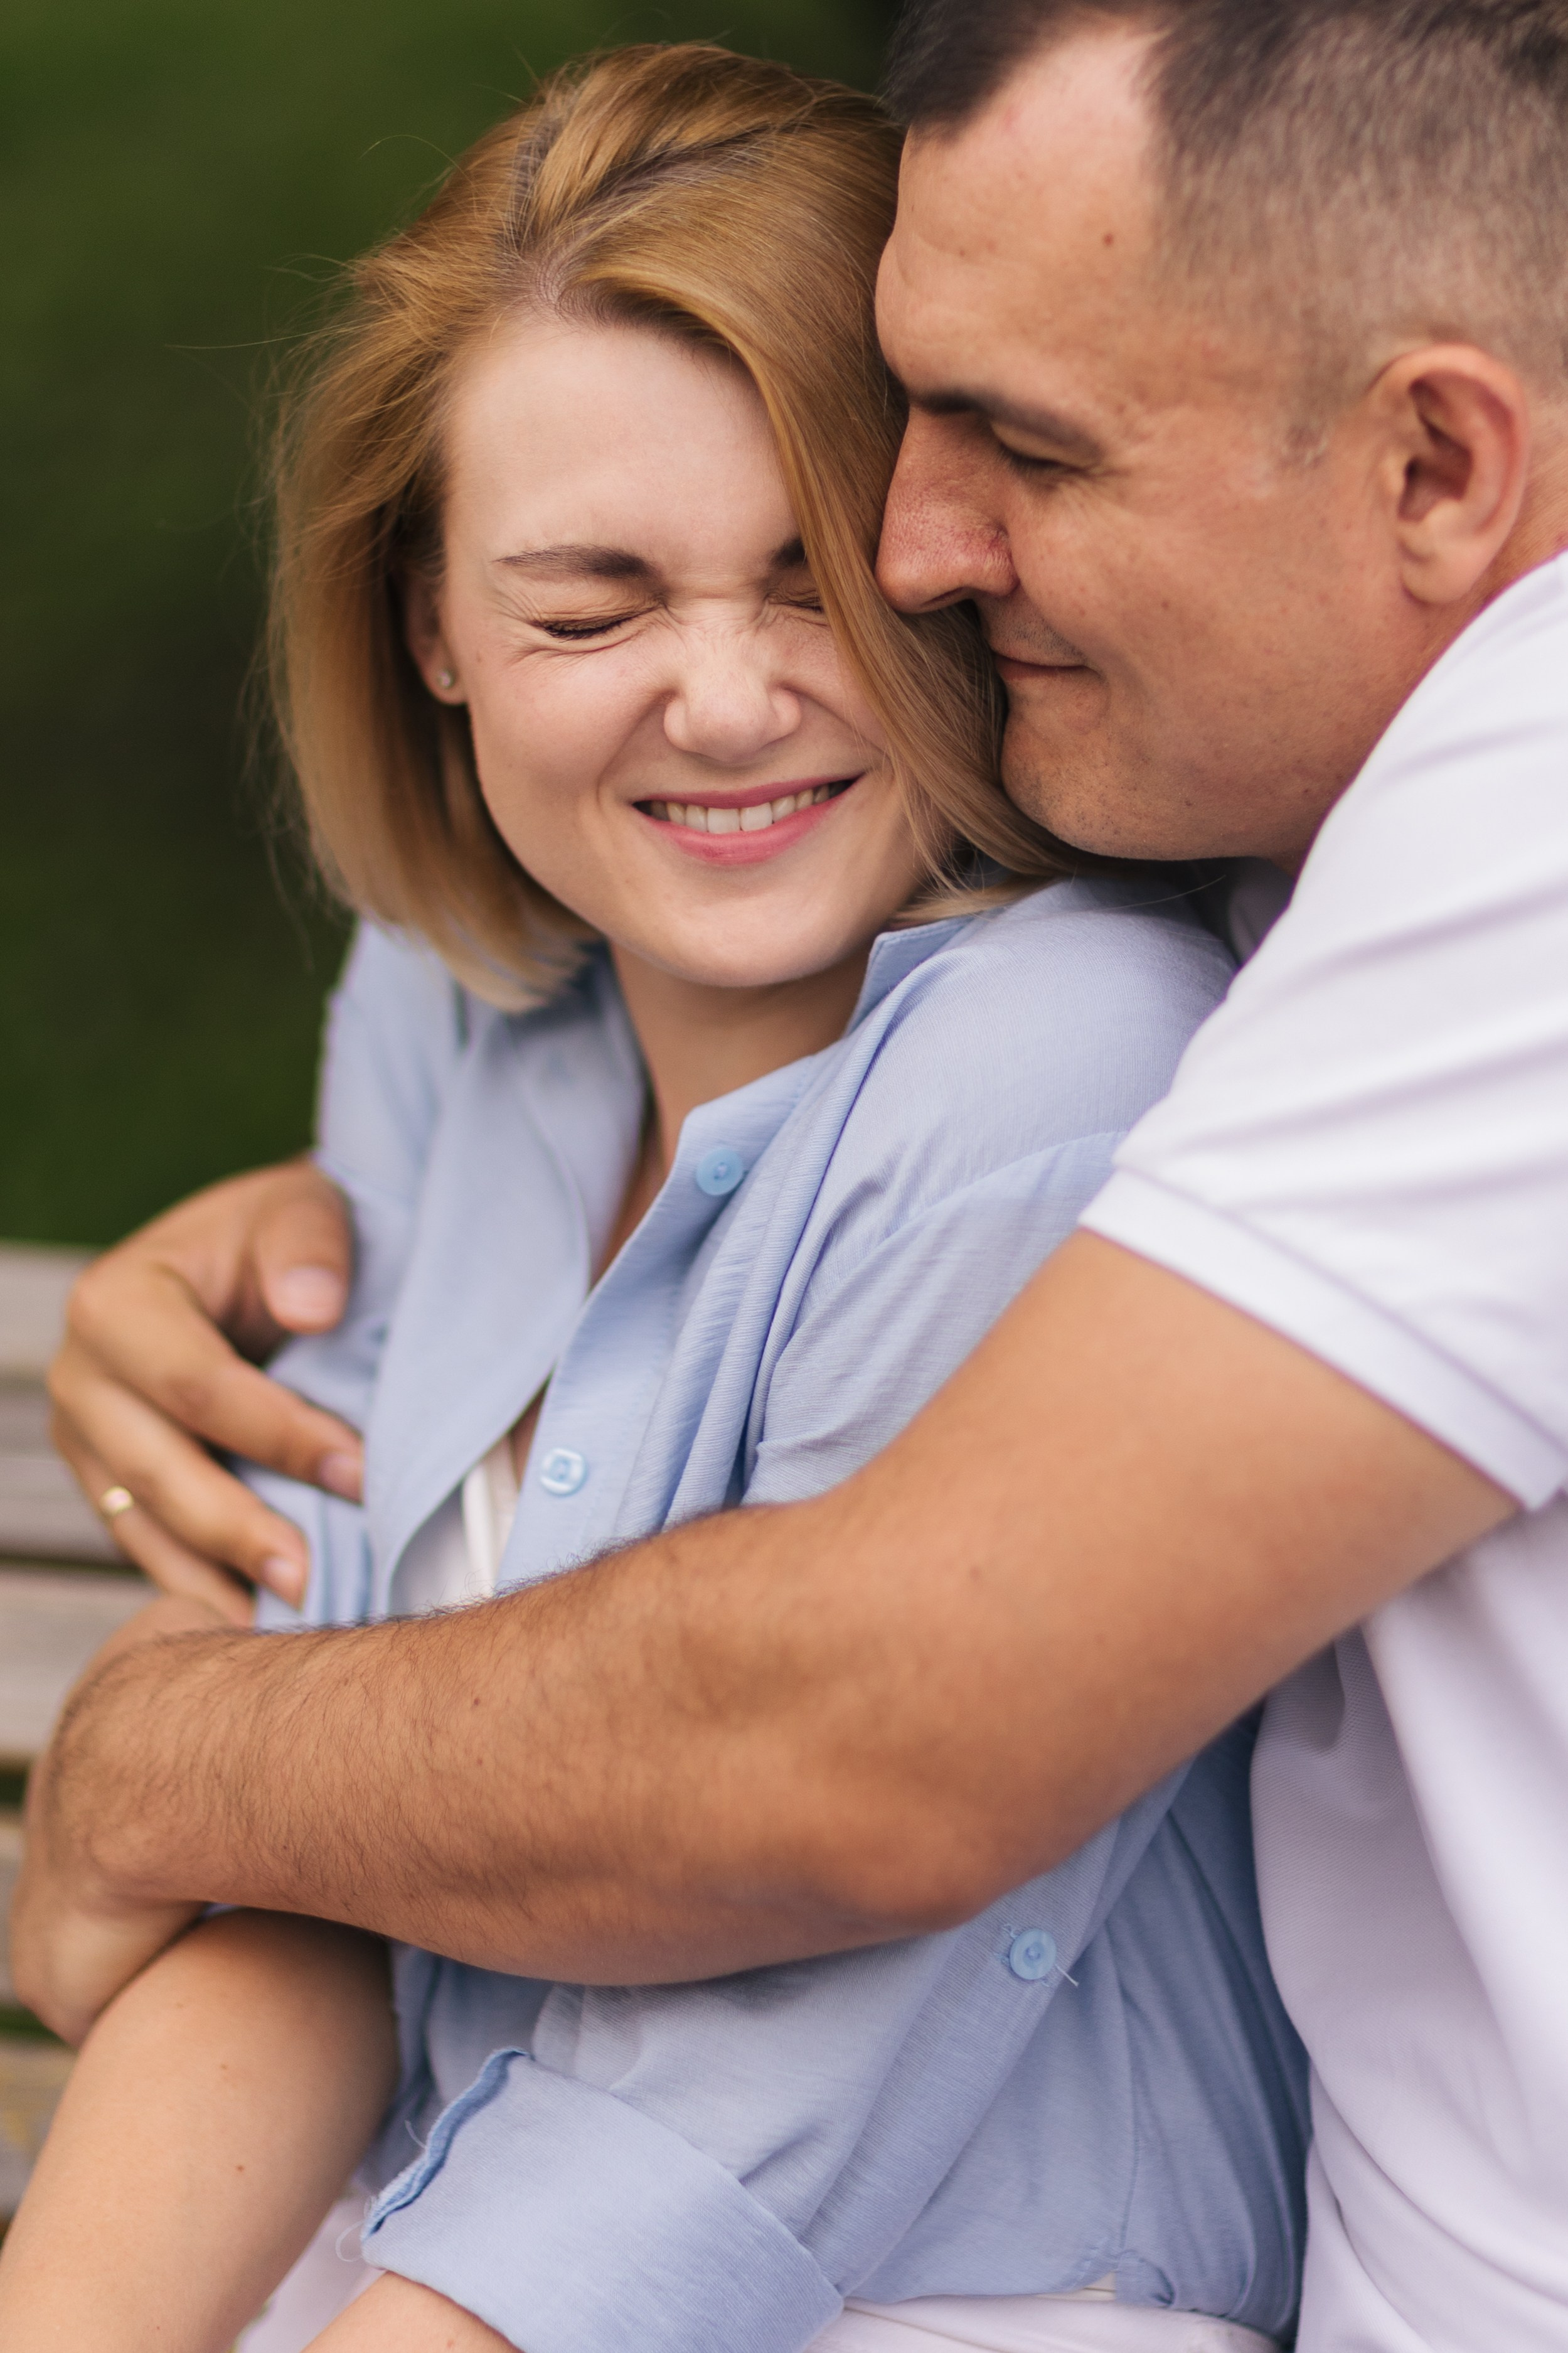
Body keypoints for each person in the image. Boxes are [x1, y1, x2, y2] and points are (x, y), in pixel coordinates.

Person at [18, 0, 1568, 2345]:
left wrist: (152, 1754)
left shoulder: (1140, 1016)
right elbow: (309, 1834)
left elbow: (852, 1811)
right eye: (585, 599)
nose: (923, 562)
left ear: (1438, 463)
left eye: (849, 554)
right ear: (432, 622)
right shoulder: (467, 1018)